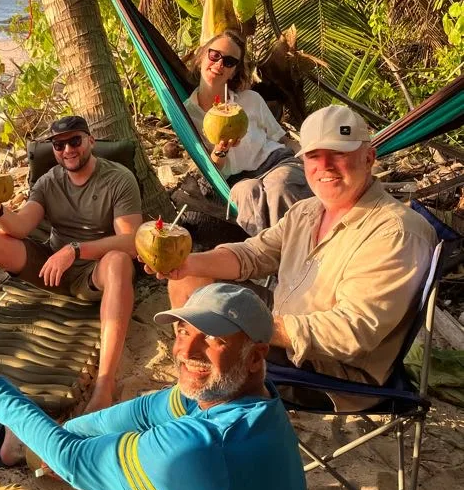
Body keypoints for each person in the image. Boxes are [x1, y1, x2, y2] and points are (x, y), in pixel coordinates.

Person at [0, 283, 308, 490]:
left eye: (213, 341)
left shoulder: (203, 449)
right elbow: (142, 412)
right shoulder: (252, 403)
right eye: (183, 332)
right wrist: (62, 436)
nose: (187, 351)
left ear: (255, 358)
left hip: (197, 476)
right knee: (125, 455)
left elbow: (72, 460)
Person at [157, 106, 438, 411]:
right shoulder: (308, 210)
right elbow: (254, 254)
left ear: (368, 158)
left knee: (220, 335)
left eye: (338, 154)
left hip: (329, 372)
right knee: (192, 281)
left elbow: (351, 333)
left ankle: (205, 414)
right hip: (280, 334)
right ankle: (199, 387)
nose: (325, 166)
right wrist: (184, 264)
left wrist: (248, 324)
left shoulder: (396, 232)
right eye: (314, 156)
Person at [0, 115, 142, 414]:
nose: (67, 150)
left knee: (120, 262)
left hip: (95, 271)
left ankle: (104, 385)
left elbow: (132, 242)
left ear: (91, 141)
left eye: (75, 141)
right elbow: (20, 227)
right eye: (59, 145)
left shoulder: (118, 179)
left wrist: (77, 250)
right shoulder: (49, 181)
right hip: (50, 268)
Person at [184, 30, 312, 235]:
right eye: (214, 55)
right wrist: (220, 151)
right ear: (201, 56)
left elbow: (283, 140)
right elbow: (211, 171)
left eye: (229, 61)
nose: (219, 64)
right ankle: (270, 254)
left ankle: (298, 247)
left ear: (234, 71)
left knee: (280, 185)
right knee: (245, 194)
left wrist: (313, 158)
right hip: (237, 180)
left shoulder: (250, 100)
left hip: (276, 162)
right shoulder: (186, 116)